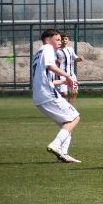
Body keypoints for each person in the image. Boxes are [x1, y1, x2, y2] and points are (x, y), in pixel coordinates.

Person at [32, 29, 81, 163]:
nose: (60, 42)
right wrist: (68, 76)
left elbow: (47, 79)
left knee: (66, 125)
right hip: (48, 94)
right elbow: (51, 66)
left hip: (39, 95)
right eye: (57, 39)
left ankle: (63, 155)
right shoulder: (47, 48)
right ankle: (55, 145)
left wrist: (64, 81)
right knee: (75, 117)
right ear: (48, 39)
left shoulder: (38, 54)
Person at [56, 31, 83, 104]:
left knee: (75, 92)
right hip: (61, 76)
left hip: (71, 75)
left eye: (66, 39)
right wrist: (56, 60)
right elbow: (51, 61)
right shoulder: (56, 50)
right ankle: (60, 107)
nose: (64, 41)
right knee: (64, 94)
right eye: (62, 39)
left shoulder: (70, 49)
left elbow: (75, 58)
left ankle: (69, 107)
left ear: (68, 40)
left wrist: (80, 59)